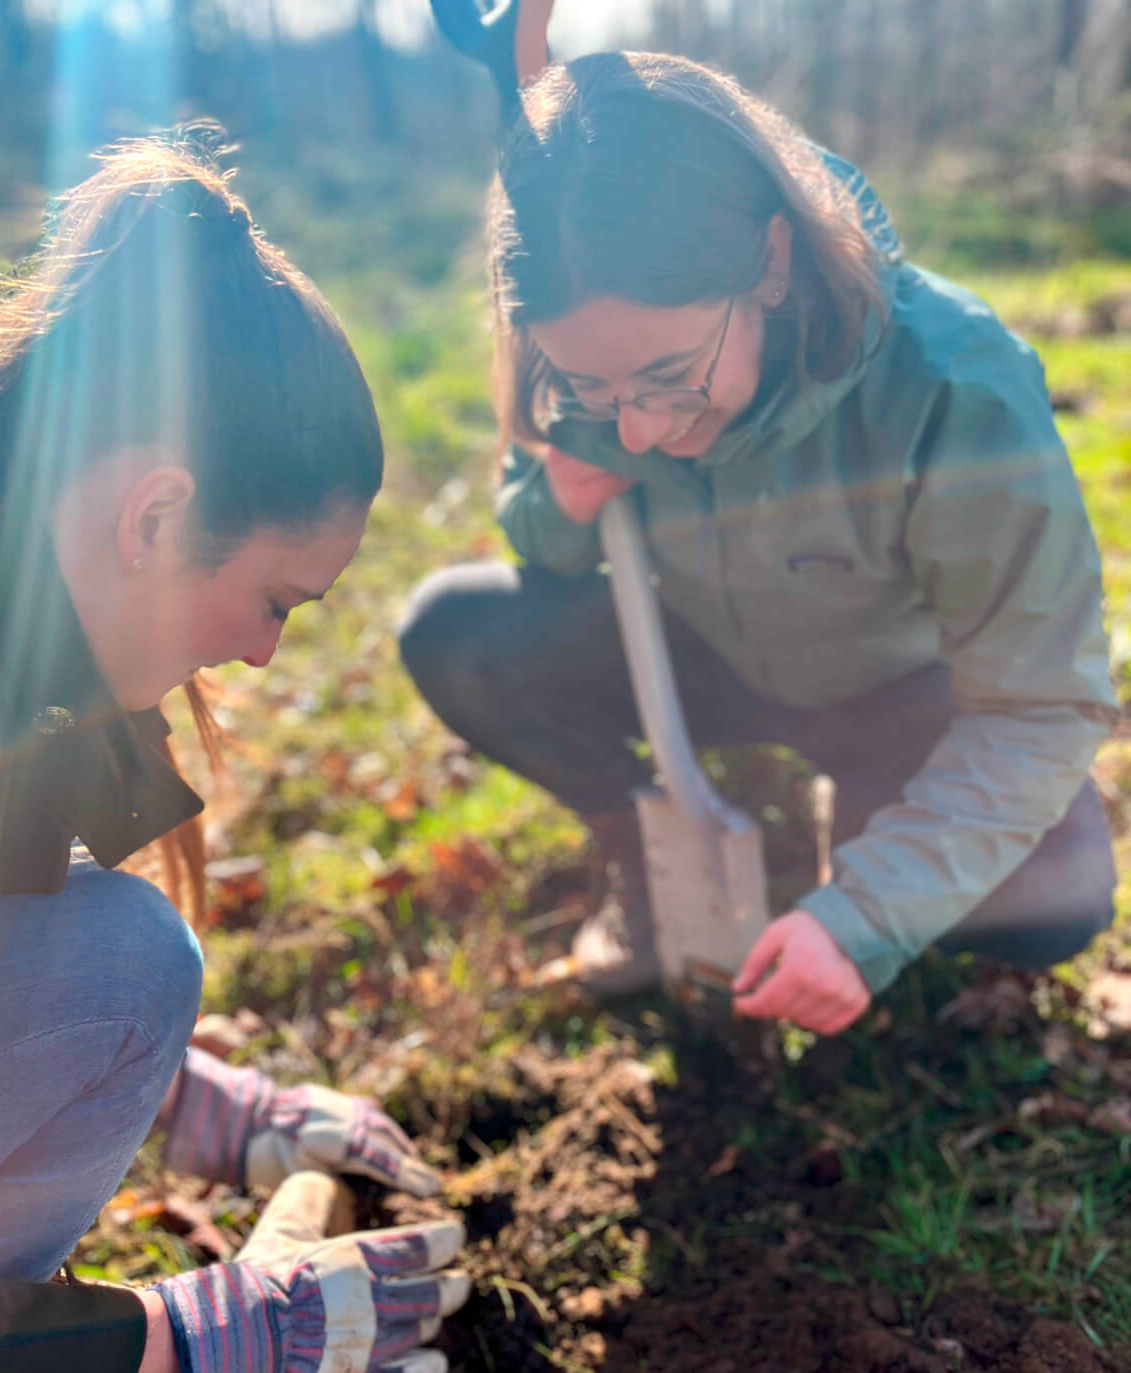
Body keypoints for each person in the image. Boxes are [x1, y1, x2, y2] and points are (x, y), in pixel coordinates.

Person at [0, 130, 469, 1373]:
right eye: (280, 601)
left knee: (121, 965)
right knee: (127, 956)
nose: (267, 654)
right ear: (156, 514)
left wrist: (199, 1101)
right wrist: (176, 1349)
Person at [399, 51, 1118, 1035]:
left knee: (1061, 892)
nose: (639, 431)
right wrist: (556, 502)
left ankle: (860, 816)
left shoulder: (956, 387)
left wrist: (865, 912)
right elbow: (544, 535)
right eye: (598, 392)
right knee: (454, 634)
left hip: (897, 690)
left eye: (668, 376)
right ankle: (651, 849)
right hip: (706, 657)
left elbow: (1041, 707)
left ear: (773, 263)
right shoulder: (586, 354)